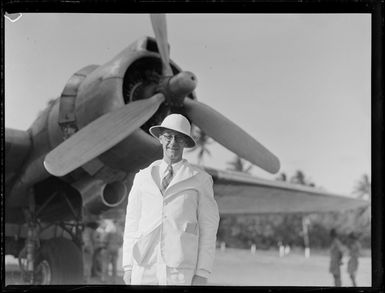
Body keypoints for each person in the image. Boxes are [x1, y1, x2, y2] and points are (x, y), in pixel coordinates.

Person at [122, 113, 220, 285]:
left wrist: (202, 272)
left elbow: (208, 229)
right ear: (160, 138)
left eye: (179, 138)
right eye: (168, 136)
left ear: (186, 143)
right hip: (144, 266)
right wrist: (128, 267)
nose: (173, 143)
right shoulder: (142, 177)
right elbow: (132, 223)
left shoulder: (201, 180)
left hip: (180, 271)